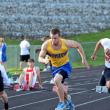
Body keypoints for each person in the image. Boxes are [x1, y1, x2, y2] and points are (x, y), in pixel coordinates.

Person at [38, 28, 89, 110]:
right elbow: (40, 57)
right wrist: (44, 60)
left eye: (55, 38)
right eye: (51, 38)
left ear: (59, 37)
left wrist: (83, 58)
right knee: (59, 88)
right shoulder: (46, 45)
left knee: (57, 80)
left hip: (65, 66)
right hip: (54, 68)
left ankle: (61, 103)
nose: (53, 40)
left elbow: (78, 45)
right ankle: (69, 101)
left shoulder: (65, 43)